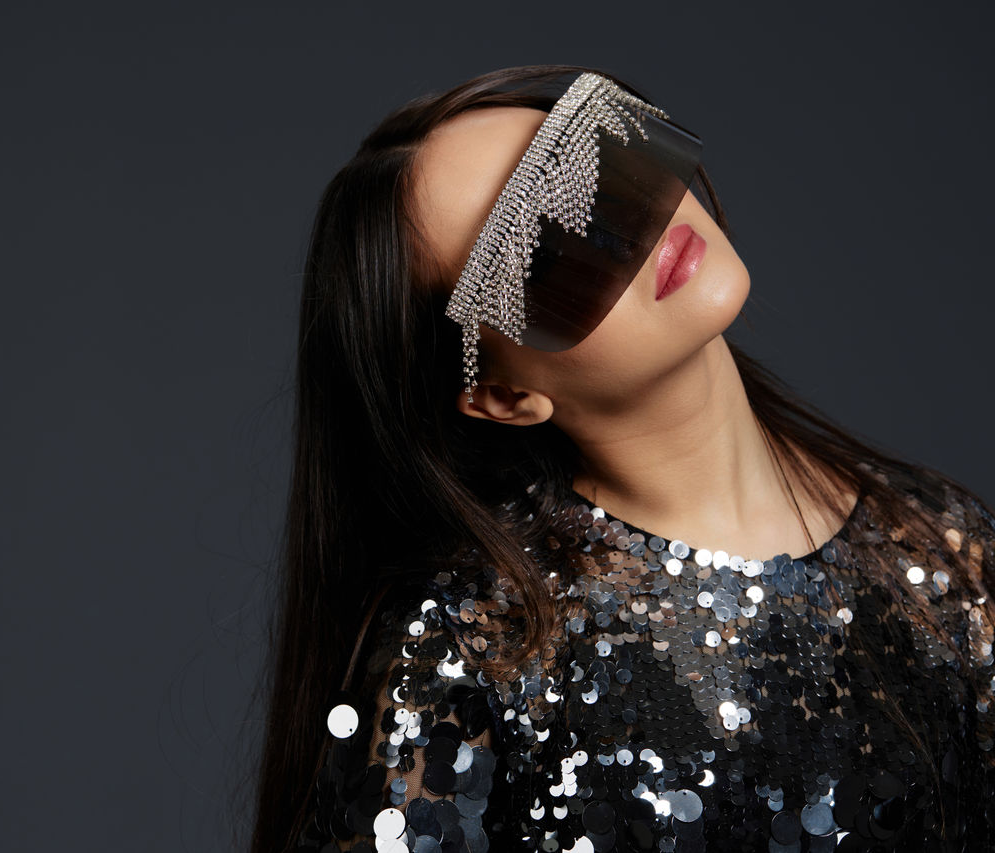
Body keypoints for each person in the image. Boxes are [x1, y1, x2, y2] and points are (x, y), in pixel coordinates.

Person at [247, 64, 995, 853]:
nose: (624, 230)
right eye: (539, 254)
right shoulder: (475, 645)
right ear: (502, 395)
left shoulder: (942, 544)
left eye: (599, 159)